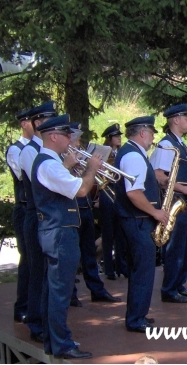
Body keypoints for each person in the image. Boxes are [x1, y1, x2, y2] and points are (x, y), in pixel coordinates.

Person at [31, 113, 102, 359]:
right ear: (54, 136)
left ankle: (54, 341)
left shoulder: (51, 163)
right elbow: (82, 189)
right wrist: (92, 168)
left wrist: (71, 167)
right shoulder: (48, 164)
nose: (71, 139)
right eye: (66, 134)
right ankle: (62, 344)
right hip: (60, 232)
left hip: (57, 231)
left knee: (54, 289)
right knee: (60, 290)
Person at [115, 116, 169, 332]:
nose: (153, 137)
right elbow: (134, 193)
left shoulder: (132, 153)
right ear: (143, 133)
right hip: (138, 221)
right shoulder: (134, 156)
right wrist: (155, 212)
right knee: (143, 270)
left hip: (135, 220)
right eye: (152, 133)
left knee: (143, 269)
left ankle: (138, 314)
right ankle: (136, 318)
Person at [149, 104, 187, 304]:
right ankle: (169, 289)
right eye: (186, 118)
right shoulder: (166, 145)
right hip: (175, 200)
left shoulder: (181, 144)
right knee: (175, 247)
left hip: (185, 201)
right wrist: (185, 189)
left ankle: (179, 285)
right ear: (176, 120)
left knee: (184, 247)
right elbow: (159, 175)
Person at [68, 122, 121, 306]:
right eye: (78, 140)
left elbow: (88, 182)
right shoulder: (64, 158)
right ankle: (71, 294)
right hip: (72, 208)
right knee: (73, 254)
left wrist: (92, 169)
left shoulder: (76, 155)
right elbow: (70, 183)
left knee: (89, 252)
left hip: (86, 206)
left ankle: (97, 289)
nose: (79, 144)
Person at [19, 100, 57, 343]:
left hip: (50, 214)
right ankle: (35, 322)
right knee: (38, 272)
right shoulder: (29, 151)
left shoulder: (45, 150)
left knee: (47, 272)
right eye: (47, 121)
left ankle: (45, 319)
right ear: (37, 123)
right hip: (36, 214)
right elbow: (43, 183)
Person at [6, 108, 34, 323]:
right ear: (24, 124)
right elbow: (26, 177)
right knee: (27, 259)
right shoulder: (16, 150)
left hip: (36, 208)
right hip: (24, 208)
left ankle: (35, 305)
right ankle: (22, 307)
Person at [99, 123, 128, 280]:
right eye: (116, 136)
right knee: (108, 233)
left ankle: (121, 265)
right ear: (109, 138)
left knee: (120, 232)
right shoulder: (105, 154)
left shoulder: (121, 153)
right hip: (107, 193)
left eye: (119, 136)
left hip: (119, 194)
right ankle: (109, 268)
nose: (119, 138)